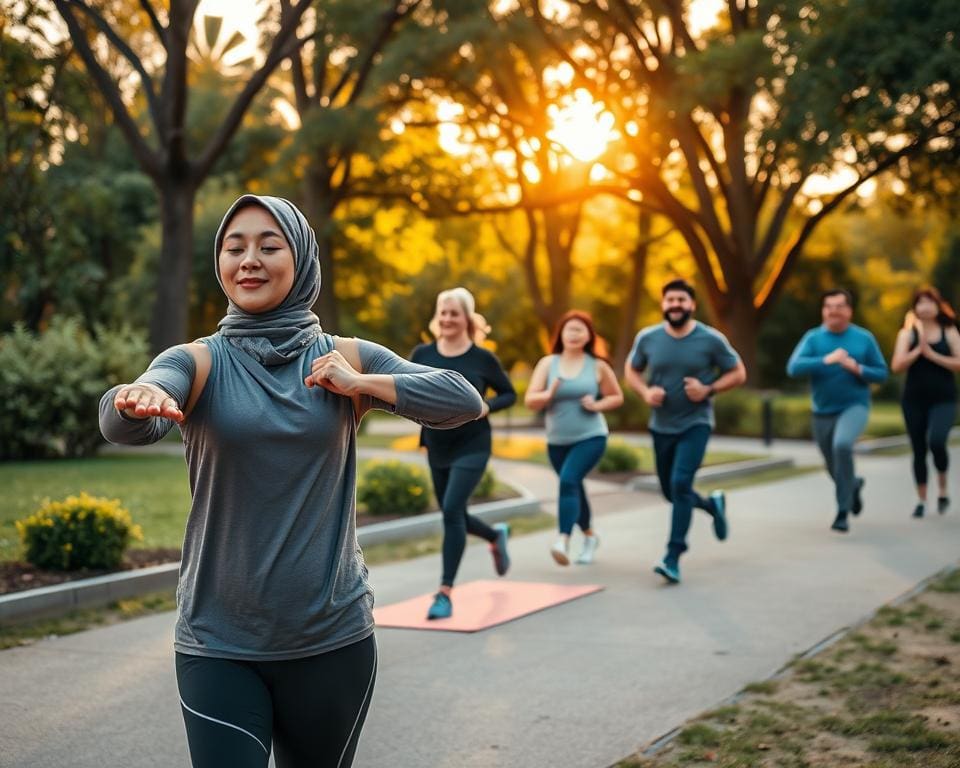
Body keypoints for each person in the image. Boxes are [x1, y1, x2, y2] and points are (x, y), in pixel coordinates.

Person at [99, 195, 482, 768]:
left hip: (331, 641)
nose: (249, 260)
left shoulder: (348, 356)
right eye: (235, 247)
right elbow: (126, 415)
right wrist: (139, 401)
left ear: (300, 259)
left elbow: (463, 400)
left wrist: (362, 384)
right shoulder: (197, 361)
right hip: (218, 642)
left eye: (268, 246)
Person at [624, 279, 746, 584]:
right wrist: (644, 392)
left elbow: (738, 372)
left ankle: (672, 556)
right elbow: (631, 370)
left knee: (680, 484)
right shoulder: (648, 338)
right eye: (670, 300)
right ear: (663, 304)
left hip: (696, 422)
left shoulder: (710, 339)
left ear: (692, 305)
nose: (675, 305)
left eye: (681, 300)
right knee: (671, 491)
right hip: (661, 425)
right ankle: (710, 505)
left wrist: (709, 389)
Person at [410, 287, 517, 620]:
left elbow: (509, 394)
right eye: (442, 312)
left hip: (473, 444)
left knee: (453, 510)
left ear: (467, 318)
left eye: (454, 313)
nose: (447, 318)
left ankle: (444, 593)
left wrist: (488, 405)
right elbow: (404, 387)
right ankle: (494, 534)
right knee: (451, 513)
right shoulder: (422, 354)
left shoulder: (482, 358)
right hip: (436, 443)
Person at [525, 310, 624, 566]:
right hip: (557, 441)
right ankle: (590, 537)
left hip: (591, 436)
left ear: (589, 335)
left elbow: (616, 396)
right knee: (574, 488)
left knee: (568, 481)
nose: (574, 333)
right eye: (570, 329)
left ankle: (563, 539)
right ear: (561, 334)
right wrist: (549, 394)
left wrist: (597, 405)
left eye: (580, 329)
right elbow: (530, 400)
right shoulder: (548, 363)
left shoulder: (597, 365)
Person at [787, 288, 888, 533]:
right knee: (832, 463)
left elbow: (882, 373)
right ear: (823, 311)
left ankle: (842, 512)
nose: (833, 311)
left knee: (842, 445)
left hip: (854, 406)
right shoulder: (813, 338)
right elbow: (793, 367)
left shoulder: (863, 338)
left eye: (839, 306)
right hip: (821, 411)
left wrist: (858, 369)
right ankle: (852, 485)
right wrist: (826, 360)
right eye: (828, 306)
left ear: (849, 311)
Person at [890, 286, 960, 518]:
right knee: (918, 449)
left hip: (943, 399)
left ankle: (942, 489)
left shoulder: (948, 330)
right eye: (920, 302)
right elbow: (897, 366)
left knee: (937, 441)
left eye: (930, 301)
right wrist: (917, 351)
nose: (925, 306)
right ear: (915, 308)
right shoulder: (906, 334)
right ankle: (921, 499)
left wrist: (933, 355)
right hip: (913, 400)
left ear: (938, 305)